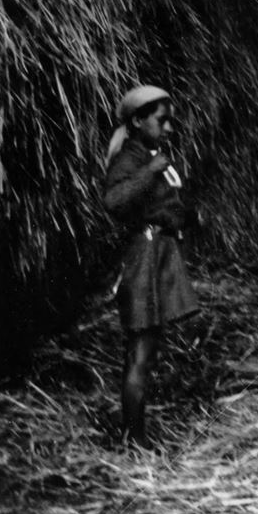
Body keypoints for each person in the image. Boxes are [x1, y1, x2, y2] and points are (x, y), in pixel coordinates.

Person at [103, 85, 199, 448]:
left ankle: (135, 435)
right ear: (138, 120)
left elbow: (162, 205)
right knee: (140, 352)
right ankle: (134, 440)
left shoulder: (150, 153)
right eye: (162, 120)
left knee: (147, 349)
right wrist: (150, 171)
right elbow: (113, 201)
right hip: (142, 260)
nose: (169, 128)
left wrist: (186, 216)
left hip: (157, 256)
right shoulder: (131, 158)